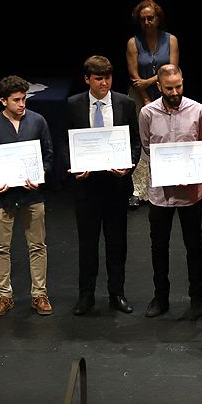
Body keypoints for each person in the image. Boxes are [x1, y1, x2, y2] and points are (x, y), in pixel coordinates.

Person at [66, 55, 139, 315]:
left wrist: (128, 165)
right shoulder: (73, 104)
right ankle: (86, 296)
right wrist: (74, 167)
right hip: (86, 188)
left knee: (117, 243)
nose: (104, 83)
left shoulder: (125, 103)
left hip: (116, 186)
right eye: (99, 79)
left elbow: (135, 143)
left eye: (108, 78)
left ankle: (116, 294)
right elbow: (66, 143)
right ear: (87, 79)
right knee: (87, 244)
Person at [139, 64, 202, 320]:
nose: (175, 91)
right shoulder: (147, 113)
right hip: (160, 193)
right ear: (159, 86)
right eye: (169, 88)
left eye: (178, 86)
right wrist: (169, 170)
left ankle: (197, 298)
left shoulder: (198, 111)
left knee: (194, 246)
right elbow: (147, 147)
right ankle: (161, 298)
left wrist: (189, 173)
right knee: (158, 247)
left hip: (191, 192)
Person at [0, 75, 54, 316]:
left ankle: (39, 294)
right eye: (16, 100)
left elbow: (49, 155)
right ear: (3, 101)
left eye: (24, 99)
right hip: (3, 197)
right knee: (1, 247)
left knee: (37, 245)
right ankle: (4, 295)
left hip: (32, 195)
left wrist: (41, 173)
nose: (22, 104)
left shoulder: (37, 121)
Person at [125, 0, 179, 207]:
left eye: (151, 18)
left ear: (158, 19)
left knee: (167, 135)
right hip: (139, 95)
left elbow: (172, 70)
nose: (147, 22)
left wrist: (150, 81)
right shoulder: (133, 42)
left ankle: (166, 182)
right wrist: (146, 98)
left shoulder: (171, 40)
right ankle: (139, 190)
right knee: (142, 139)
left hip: (167, 93)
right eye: (143, 19)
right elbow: (133, 76)